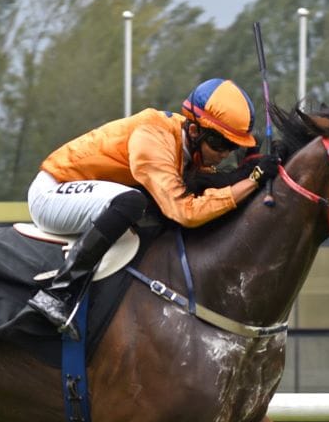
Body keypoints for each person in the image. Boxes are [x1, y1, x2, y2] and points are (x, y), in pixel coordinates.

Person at [26, 77, 280, 339]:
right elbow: (186, 212)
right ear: (194, 131)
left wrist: (249, 171)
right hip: (53, 194)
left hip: (87, 194)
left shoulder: (185, 145)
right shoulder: (153, 138)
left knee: (141, 204)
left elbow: (211, 187)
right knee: (131, 202)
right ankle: (57, 293)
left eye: (233, 146)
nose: (224, 154)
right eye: (220, 144)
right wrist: (252, 181)